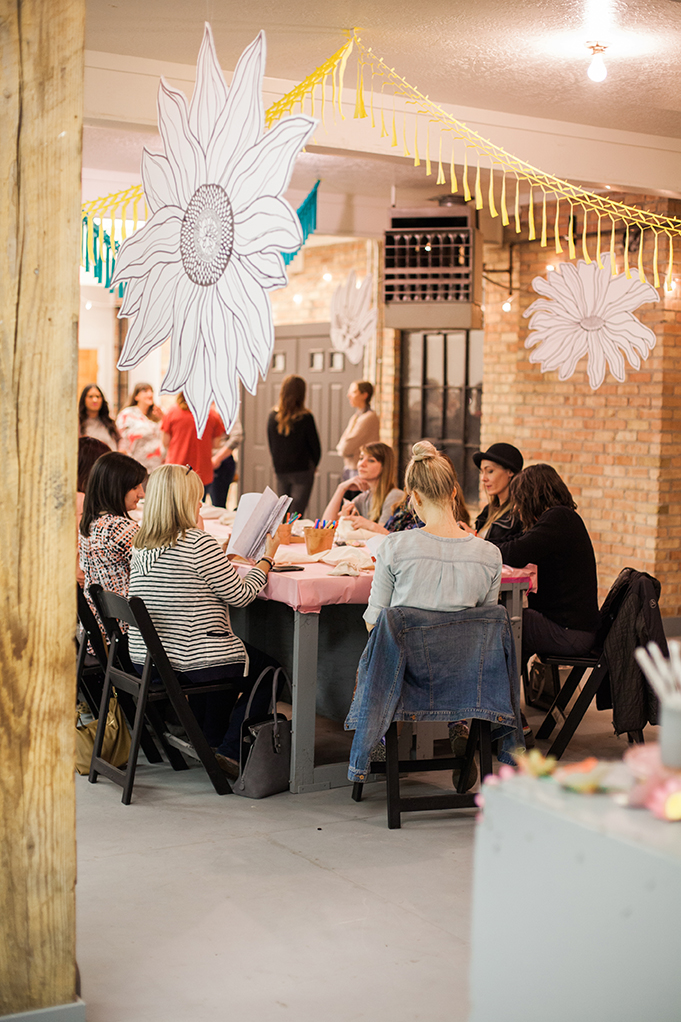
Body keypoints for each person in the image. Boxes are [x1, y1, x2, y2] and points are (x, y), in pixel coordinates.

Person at [364, 441, 504, 788]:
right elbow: (483, 627)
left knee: (381, 649)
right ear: (454, 492)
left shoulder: (395, 547)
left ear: (413, 497)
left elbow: (374, 622)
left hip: (406, 678)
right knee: (456, 649)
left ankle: (378, 737)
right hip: (466, 679)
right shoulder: (489, 555)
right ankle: (460, 726)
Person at [127, 464, 283, 775]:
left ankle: (209, 739)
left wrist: (218, 555)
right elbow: (241, 596)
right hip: (187, 660)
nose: (201, 503)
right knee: (268, 670)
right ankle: (231, 751)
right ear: (183, 502)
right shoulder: (198, 543)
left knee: (226, 657)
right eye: (197, 497)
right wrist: (267, 559)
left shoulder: (141, 543)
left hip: (148, 658)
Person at [497, 463, 600, 666]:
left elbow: (515, 552)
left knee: (500, 622)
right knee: (508, 617)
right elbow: (515, 542)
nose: (517, 508)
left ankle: (501, 686)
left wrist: (476, 547)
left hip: (571, 634)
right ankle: (507, 684)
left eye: (519, 500)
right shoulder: (561, 519)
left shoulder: (559, 519)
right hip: (571, 629)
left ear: (532, 497)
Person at [78, 451, 147, 629]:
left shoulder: (89, 523)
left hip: (101, 627)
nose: (142, 493)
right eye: (135, 487)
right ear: (116, 488)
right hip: (128, 628)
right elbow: (155, 574)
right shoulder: (121, 528)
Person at [266, 375, 321, 516]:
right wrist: (314, 464)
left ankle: (282, 530)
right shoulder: (305, 417)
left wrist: (277, 464)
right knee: (296, 512)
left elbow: (272, 445)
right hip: (302, 469)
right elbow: (315, 446)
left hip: (281, 469)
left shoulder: (273, 416)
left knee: (282, 512)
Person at [323, 443, 404, 530]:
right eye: (361, 458)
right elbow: (326, 525)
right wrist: (341, 488)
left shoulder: (395, 496)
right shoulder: (364, 497)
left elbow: (385, 533)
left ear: (385, 466)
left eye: (371, 460)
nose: (362, 464)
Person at [162, 393, 226, 492]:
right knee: (199, 500)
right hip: (202, 471)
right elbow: (216, 444)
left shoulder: (172, 412)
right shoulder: (211, 414)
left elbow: (165, 442)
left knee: (175, 500)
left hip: (176, 469)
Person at [473, 443, 524, 545]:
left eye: (490, 471)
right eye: (482, 472)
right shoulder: (488, 511)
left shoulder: (519, 515)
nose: (483, 478)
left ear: (510, 472)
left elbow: (509, 550)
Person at [336, 380, 380, 481]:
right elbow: (343, 443)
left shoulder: (369, 417)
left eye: (354, 392)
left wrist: (343, 447)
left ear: (364, 395)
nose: (348, 395)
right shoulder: (356, 416)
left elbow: (345, 447)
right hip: (350, 468)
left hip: (360, 469)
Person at [116, 382, 165, 472]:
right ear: (136, 396)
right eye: (145, 391)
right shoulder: (127, 414)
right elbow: (121, 439)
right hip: (136, 464)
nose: (149, 394)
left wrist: (163, 418)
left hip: (158, 465)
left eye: (151, 391)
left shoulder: (158, 413)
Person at [208, 416, 243, 508]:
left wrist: (217, 458)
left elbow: (237, 436)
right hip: (201, 461)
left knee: (218, 504)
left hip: (221, 461)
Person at [78, 383, 119, 451]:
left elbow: (121, 440)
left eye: (98, 397)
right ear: (84, 399)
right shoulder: (78, 424)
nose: (95, 400)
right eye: (90, 396)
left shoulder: (109, 422)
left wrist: (121, 449)